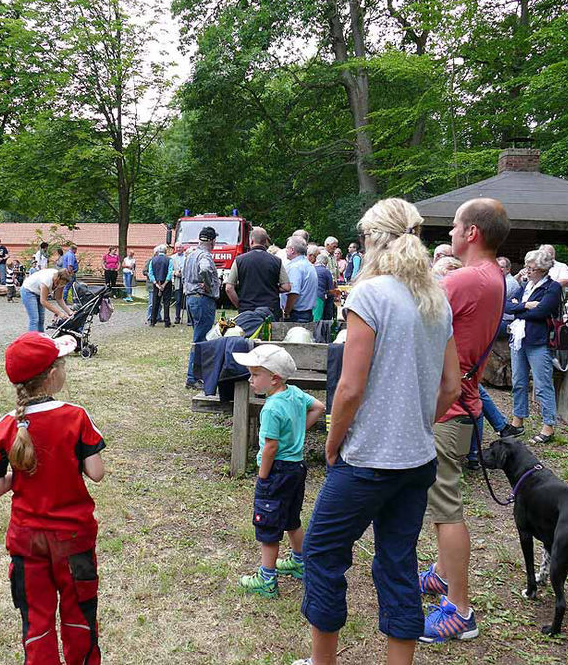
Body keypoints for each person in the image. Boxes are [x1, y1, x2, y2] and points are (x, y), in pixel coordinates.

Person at [295, 198, 460, 665]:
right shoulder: (436, 299)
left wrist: (331, 442)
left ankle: (322, 662)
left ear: (372, 240)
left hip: (367, 459)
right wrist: (415, 422)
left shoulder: (369, 295)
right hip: (417, 460)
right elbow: (451, 384)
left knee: (323, 553)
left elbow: (349, 388)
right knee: (398, 562)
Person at [0, 332, 106, 665]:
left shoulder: (5, 426)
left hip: (26, 540)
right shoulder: (77, 416)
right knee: (80, 616)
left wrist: (19, 473)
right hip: (74, 538)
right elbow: (96, 472)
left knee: (36, 621)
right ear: (52, 376)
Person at [418, 197, 510, 644]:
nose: (450, 232)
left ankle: (460, 610)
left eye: (455, 225)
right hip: (465, 402)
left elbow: (416, 323)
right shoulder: (496, 277)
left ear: (472, 233)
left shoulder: (465, 279)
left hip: (449, 408)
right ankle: (440, 574)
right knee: (444, 501)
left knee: (445, 509)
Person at [233, 344, 326, 597]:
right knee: (292, 518)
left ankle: (267, 579)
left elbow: (271, 447)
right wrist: (298, 432)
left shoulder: (271, 408)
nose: (251, 380)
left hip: (277, 471)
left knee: (269, 525)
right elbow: (319, 406)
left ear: (273, 378)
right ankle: (299, 561)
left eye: (255, 375)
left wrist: (262, 477)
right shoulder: (295, 393)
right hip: (296, 469)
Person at [505, 248, 563, 444]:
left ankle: (548, 426)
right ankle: (517, 422)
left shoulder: (552, 288)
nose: (527, 271)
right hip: (518, 339)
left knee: (542, 384)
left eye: (532, 268)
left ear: (543, 269)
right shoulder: (526, 286)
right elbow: (506, 305)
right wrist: (525, 306)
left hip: (539, 341)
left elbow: (542, 312)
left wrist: (518, 308)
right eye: (527, 267)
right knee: (518, 382)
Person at [224, 227, 290, 320]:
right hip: (270, 309)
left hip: (247, 310)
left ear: (251, 241)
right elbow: (287, 287)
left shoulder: (239, 260)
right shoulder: (276, 261)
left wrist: (239, 305)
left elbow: (229, 288)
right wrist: (271, 288)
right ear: (266, 242)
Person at [183, 226, 220, 389]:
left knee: (198, 337)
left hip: (191, 298)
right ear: (212, 241)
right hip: (202, 299)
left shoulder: (191, 255)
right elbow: (205, 268)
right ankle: (193, 377)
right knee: (201, 340)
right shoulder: (205, 255)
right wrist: (208, 284)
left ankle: (195, 375)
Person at [21, 267, 75, 332]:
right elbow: (43, 301)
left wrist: (69, 312)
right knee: (34, 319)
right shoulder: (47, 280)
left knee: (41, 320)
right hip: (28, 291)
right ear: (57, 278)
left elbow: (59, 298)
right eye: (61, 283)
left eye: (64, 284)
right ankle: (32, 340)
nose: (61, 285)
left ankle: (41, 339)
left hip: (38, 292)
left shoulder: (62, 280)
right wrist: (59, 313)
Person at [281, 236, 318, 322]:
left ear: (292, 250)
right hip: (306, 314)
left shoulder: (296, 267)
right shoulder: (309, 265)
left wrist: (286, 312)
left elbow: (293, 293)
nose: (286, 250)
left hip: (296, 315)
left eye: (287, 248)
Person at [308, 246, 337, 322]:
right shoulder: (326, 271)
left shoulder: (310, 268)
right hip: (319, 297)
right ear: (326, 263)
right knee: (317, 320)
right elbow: (330, 290)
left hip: (308, 297)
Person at [148, 244, 174, 328]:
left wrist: (156, 284)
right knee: (166, 303)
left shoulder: (153, 260)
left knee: (155, 302)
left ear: (158, 251)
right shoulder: (169, 260)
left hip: (156, 283)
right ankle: (167, 322)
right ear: (165, 251)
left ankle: (153, 321)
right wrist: (164, 284)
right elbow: (170, 273)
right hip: (166, 283)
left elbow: (150, 273)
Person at [170, 246, 185, 322]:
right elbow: (169, 269)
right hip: (177, 281)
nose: (178, 249)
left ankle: (189, 319)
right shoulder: (172, 258)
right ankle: (177, 317)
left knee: (186, 300)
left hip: (185, 281)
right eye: (177, 248)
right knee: (178, 300)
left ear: (183, 248)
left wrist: (183, 273)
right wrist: (174, 273)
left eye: (180, 248)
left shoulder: (187, 257)